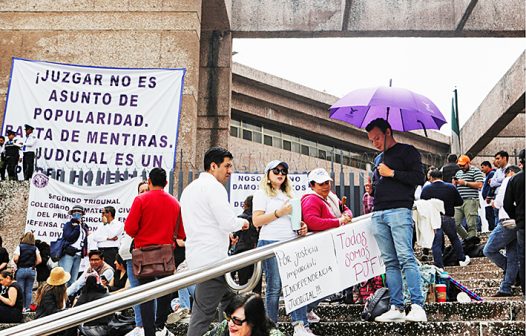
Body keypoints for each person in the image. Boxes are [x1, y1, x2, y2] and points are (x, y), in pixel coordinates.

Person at [181, 147, 249, 336]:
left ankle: (259, 330)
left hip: (200, 258)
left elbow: (204, 221)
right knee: (202, 315)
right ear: (213, 166)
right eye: (227, 166)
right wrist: (244, 222)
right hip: (213, 263)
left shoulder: (189, 189)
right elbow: (228, 221)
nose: (230, 171)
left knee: (236, 307)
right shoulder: (214, 188)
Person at [364, 118, 426, 322]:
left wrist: (392, 173)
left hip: (400, 209)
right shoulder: (379, 159)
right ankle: (396, 307)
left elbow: (419, 177)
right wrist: (373, 187)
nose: (375, 143)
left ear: (388, 132)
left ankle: (417, 305)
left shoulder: (408, 151)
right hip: (379, 211)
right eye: (371, 140)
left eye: (378, 138)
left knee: (406, 257)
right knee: (390, 262)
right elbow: (382, 181)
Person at [252, 160, 312, 336]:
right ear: (268, 175)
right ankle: (271, 327)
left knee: (296, 284)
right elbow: (256, 221)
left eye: (283, 171)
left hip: (291, 242)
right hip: (270, 241)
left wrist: (302, 226)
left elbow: (294, 221)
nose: (280, 173)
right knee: (274, 286)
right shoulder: (262, 193)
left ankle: (300, 325)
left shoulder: (289, 195)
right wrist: (279, 212)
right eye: (276, 170)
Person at [125, 167, 185, 336]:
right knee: (165, 290)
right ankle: (160, 323)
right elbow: (181, 234)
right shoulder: (175, 203)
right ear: (166, 183)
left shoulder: (140, 200)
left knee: (146, 294)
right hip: (165, 255)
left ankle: (149, 332)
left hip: (143, 255)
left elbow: (130, 229)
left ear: (149, 182)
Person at [301, 167, 352, 323]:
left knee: (328, 284)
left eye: (327, 182)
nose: (325, 186)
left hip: (330, 245)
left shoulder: (331, 197)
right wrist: (338, 221)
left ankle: (308, 309)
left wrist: (345, 216)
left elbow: (346, 210)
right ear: (312, 185)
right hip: (318, 247)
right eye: (321, 183)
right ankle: (306, 309)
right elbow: (312, 221)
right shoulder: (311, 199)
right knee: (324, 283)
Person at [484, 165, 521, 297]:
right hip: (518, 222)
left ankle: (516, 273)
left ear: (509, 172)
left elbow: (500, 202)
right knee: (512, 256)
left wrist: (493, 203)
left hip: (506, 221)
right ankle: (506, 287)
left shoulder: (508, 180)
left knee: (488, 250)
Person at [420, 169, 470, 269]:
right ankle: (462, 259)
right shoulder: (450, 187)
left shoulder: (426, 189)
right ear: (441, 177)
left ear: (430, 177)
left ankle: (439, 264)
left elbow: (422, 204)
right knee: (454, 239)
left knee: (436, 242)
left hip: (434, 218)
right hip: (448, 217)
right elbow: (459, 202)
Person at [120, 180, 148, 336]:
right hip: (130, 255)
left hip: (147, 255)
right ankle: (139, 324)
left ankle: (150, 324)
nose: (143, 193)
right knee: (135, 290)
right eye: (141, 190)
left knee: (149, 291)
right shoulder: (135, 207)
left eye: (146, 190)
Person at [204, 293, 284, 336]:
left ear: (253, 322)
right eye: (228, 317)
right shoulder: (225, 326)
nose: (230, 324)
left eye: (237, 320)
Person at [504, 149, 525, 295]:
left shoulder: (515, 179)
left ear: (521, 162)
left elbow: (506, 204)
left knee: (523, 257)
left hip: (523, 224)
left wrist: (517, 217)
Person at [232, 195, 261, 293]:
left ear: (245, 205)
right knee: (257, 283)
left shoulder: (241, 219)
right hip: (257, 253)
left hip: (242, 253)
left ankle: (243, 305)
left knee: (243, 283)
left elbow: (234, 235)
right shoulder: (259, 220)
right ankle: (257, 305)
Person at [452, 155, 484, 240]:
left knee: (471, 224)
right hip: (459, 201)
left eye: (463, 165)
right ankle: (468, 240)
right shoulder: (458, 173)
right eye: (460, 165)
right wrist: (455, 184)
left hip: (471, 200)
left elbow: (480, 184)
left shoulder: (475, 171)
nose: (461, 167)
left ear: (468, 163)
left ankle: (472, 242)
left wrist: (465, 183)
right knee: (455, 223)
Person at [59, 205, 89, 286]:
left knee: (73, 280)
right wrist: (76, 227)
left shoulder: (84, 226)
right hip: (69, 253)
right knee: (64, 278)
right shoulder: (68, 225)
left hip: (78, 254)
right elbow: (69, 236)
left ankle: (69, 298)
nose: (77, 214)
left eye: (79, 212)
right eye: (74, 212)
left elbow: (85, 239)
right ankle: (61, 297)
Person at [14, 231, 42, 312]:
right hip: (31, 270)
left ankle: (22, 307)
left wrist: (18, 263)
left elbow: (15, 258)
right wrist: (33, 264)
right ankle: (28, 307)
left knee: (21, 290)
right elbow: (39, 260)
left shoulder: (20, 247)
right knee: (29, 290)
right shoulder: (35, 248)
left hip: (21, 269)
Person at [480, 161, 497, 231]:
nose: (481, 169)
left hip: (490, 200)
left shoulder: (491, 174)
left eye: (483, 167)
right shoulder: (488, 175)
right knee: (489, 216)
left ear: (487, 166)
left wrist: (489, 196)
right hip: (488, 200)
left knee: (490, 216)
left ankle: (493, 230)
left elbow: (492, 186)